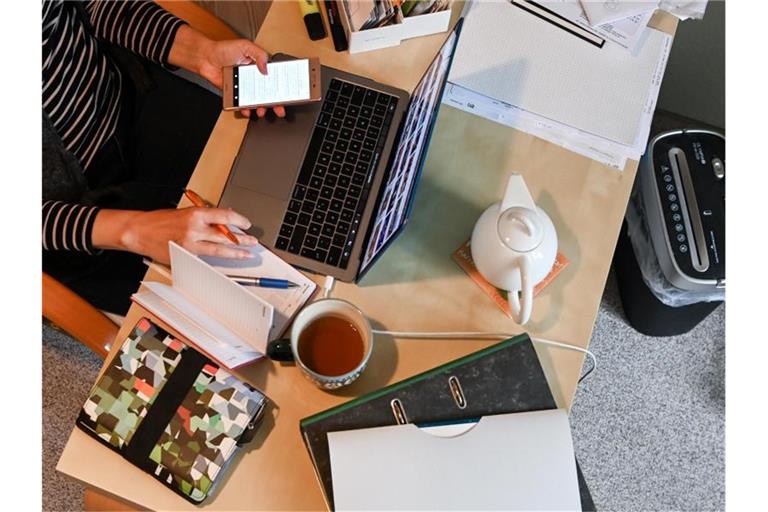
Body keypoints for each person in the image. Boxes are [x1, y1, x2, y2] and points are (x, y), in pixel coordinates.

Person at [42, 0, 283, 314]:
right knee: (243, 313)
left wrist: (200, 52)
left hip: (133, 101)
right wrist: (134, 232)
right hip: (74, 222)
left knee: (286, 182)